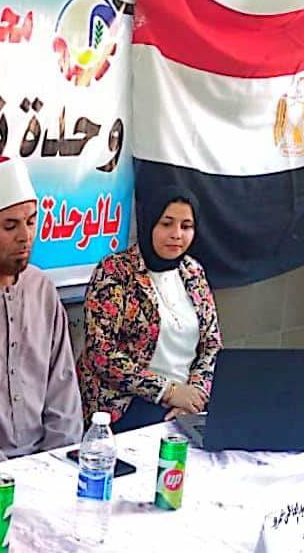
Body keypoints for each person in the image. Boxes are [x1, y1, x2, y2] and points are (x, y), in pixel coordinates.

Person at [0, 157, 83, 464]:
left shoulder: (43, 290)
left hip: (47, 464)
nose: (25, 236)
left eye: (31, 222)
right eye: (10, 226)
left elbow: (63, 390)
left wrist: (55, 462)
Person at [77, 185, 222, 432]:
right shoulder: (115, 272)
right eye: (166, 224)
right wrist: (167, 391)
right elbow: (100, 353)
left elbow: (211, 344)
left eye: (186, 226)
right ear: (149, 223)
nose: (177, 234)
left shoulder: (193, 272)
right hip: (128, 405)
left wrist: (195, 394)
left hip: (187, 401)